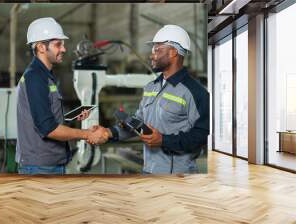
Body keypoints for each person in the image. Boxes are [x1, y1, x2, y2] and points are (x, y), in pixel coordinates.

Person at [95, 25, 209, 174]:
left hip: (178, 177)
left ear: (173, 52)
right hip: (148, 171)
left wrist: (164, 141)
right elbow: (138, 123)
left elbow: (201, 136)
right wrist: (109, 133)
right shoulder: (151, 87)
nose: (151, 55)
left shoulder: (195, 92)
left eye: (157, 50)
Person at [15, 17, 107, 175]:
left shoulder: (46, 76)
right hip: (40, 167)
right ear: (41, 47)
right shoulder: (35, 78)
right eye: (58, 44)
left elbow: (47, 115)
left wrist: (71, 117)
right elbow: (48, 128)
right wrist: (86, 134)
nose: (64, 49)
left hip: (49, 163)